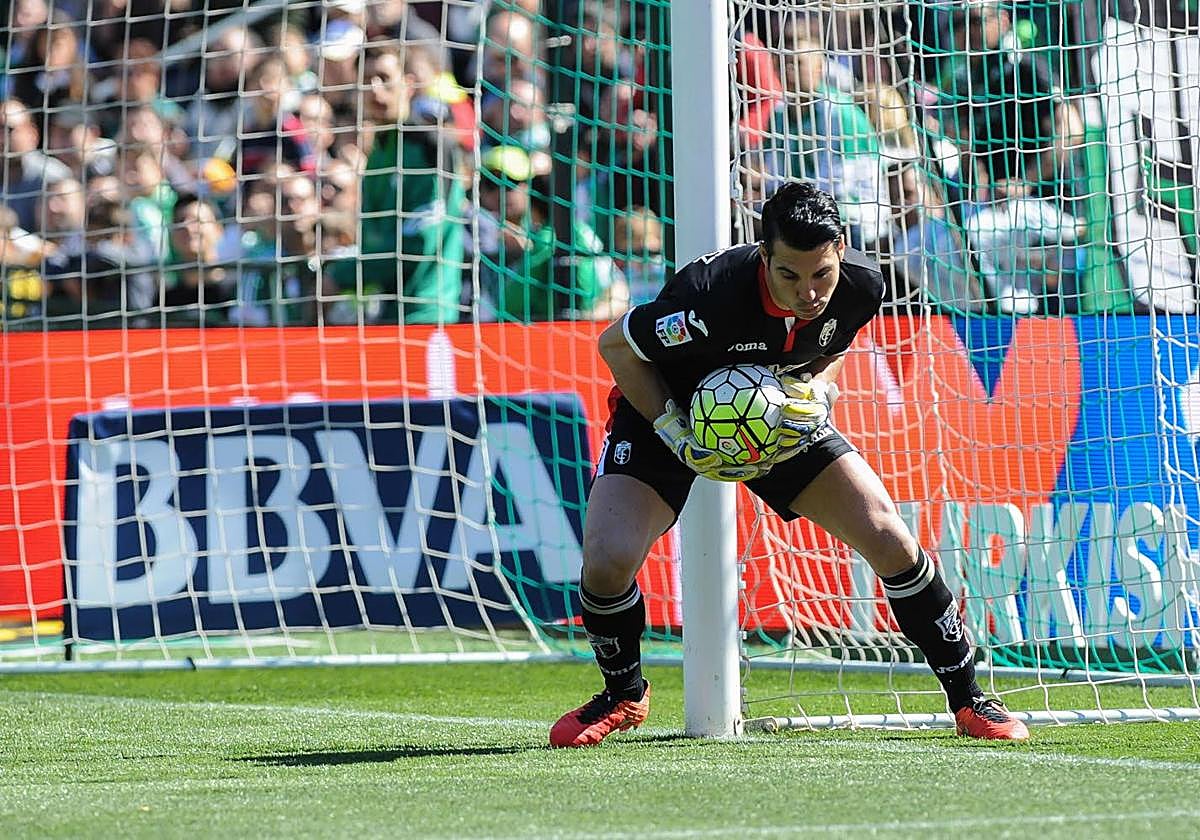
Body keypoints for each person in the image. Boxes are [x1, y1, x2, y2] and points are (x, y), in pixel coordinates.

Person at [550, 181, 1030, 748]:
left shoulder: (861, 287)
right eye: (790, 276)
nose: (809, 292)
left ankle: (970, 698)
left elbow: (831, 345)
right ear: (763, 255)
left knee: (888, 535)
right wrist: (675, 431)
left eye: (821, 274)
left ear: (842, 249)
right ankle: (623, 695)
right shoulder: (710, 296)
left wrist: (818, 394)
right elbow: (617, 347)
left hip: (777, 412)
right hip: (666, 413)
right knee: (606, 561)